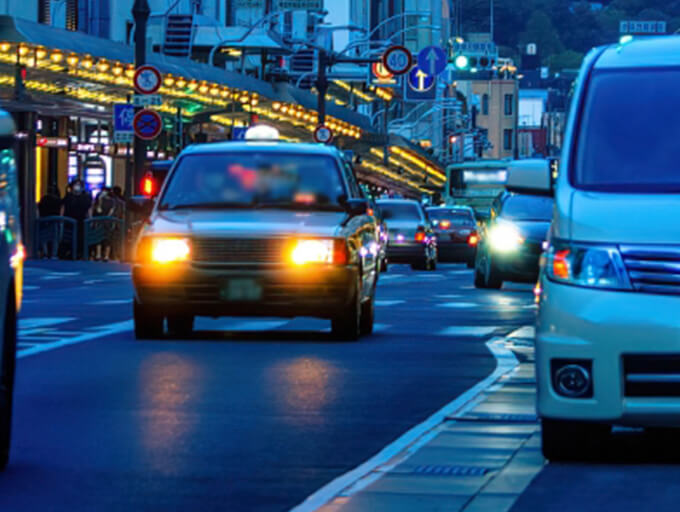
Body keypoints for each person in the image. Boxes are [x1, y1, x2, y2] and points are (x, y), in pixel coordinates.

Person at [62, 179, 92, 259]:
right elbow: (63, 209)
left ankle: (80, 253)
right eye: (75, 185)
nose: (77, 187)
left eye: (79, 185)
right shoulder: (68, 197)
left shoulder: (86, 198)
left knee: (81, 238)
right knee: (68, 238)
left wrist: (90, 220)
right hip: (68, 221)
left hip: (82, 221)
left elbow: (89, 210)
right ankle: (69, 253)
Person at [37, 185, 62, 259]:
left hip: (44, 221)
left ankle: (45, 253)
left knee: (44, 237)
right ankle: (54, 254)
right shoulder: (58, 201)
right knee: (55, 237)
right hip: (55, 221)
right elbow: (60, 212)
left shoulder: (43, 199)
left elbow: (39, 209)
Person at [93, 187, 116, 261]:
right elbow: (98, 210)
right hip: (100, 221)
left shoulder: (112, 201)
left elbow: (111, 212)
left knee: (108, 238)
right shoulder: (99, 200)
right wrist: (99, 200)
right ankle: (98, 254)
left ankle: (106, 255)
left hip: (108, 222)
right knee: (98, 238)